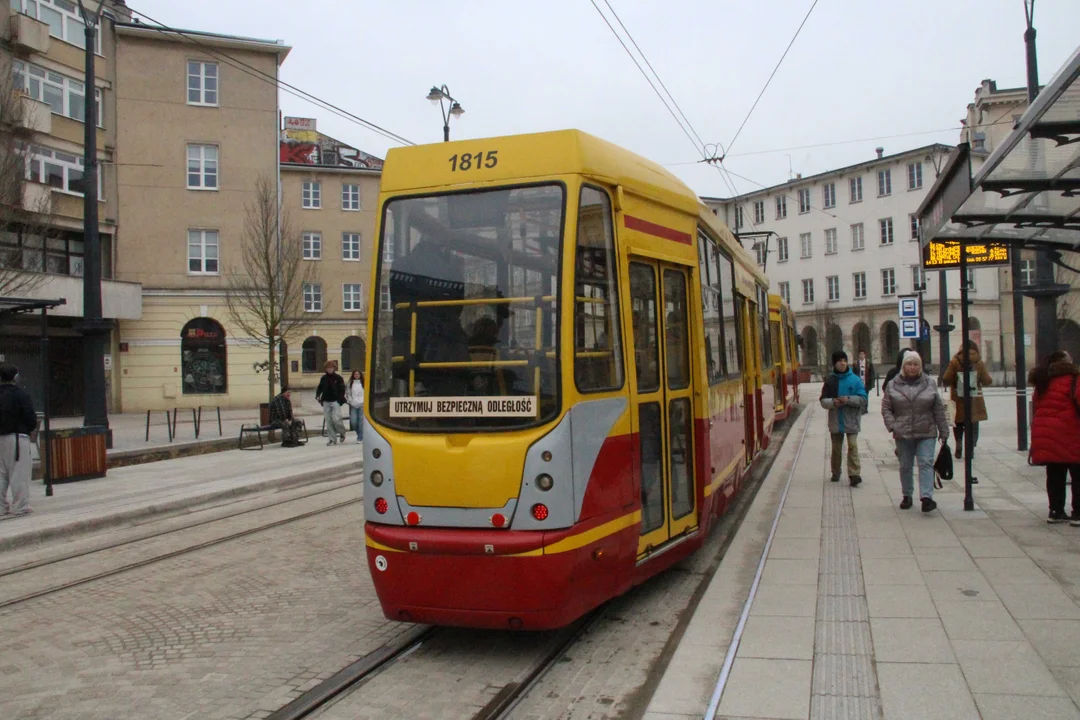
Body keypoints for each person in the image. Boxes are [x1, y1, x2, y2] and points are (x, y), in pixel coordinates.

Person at [882, 352, 950, 512]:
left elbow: (938, 409)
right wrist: (893, 425)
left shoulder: (929, 383)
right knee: (905, 465)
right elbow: (886, 408)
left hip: (926, 431)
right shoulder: (893, 384)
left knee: (925, 462)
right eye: (909, 364)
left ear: (920, 366)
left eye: (916, 364)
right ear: (903, 366)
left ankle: (926, 497)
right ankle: (907, 495)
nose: (912, 367)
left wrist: (944, 430)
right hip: (903, 432)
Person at [1028, 350, 1080, 524]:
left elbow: (1036, 404)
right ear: (1067, 362)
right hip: (1071, 432)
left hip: (1047, 434)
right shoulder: (1075, 380)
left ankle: (1056, 511)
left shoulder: (1043, 381)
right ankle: (1078, 513)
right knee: (1077, 473)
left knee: (1055, 473)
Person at [820, 350, 867, 486]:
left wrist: (849, 400)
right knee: (836, 448)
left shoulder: (855, 380)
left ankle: (854, 474)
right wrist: (833, 402)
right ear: (835, 363)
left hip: (851, 419)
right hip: (836, 419)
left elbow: (863, 399)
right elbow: (823, 401)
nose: (843, 363)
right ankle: (836, 471)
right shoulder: (830, 380)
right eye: (840, 361)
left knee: (852, 446)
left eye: (845, 360)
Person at [942, 340, 993, 460]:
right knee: (973, 423)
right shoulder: (978, 362)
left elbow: (946, 378)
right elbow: (987, 380)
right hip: (974, 400)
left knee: (958, 422)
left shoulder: (955, 361)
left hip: (958, 399)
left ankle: (959, 442)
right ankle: (971, 447)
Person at [0, 363, 38, 517]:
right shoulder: (21, 395)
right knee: (19, 473)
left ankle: (1, 507)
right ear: (16, 377)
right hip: (17, 438)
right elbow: (30, 418)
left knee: (1, 473)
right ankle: (20, 506)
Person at [315, 361, 347, 445]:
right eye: (328, 368)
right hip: (326, 401)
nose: (329, 369)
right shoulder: (323, 378)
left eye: (331, 368)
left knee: (336, 419)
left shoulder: (338, 378)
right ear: (326, 369)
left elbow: (342, 390)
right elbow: (320, 387)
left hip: (335, 401)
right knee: (328, 421)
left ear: (334, 368)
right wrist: (318, 395)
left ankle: (342, 432)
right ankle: (332, 439)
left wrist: (339, 400)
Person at [346, 370, 365, 444]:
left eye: (358, 374)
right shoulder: (350, 383)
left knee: (361, 422)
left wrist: (364, 401)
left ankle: (360, 437)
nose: (356, 375)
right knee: (353, 422)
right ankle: (359, 433)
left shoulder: (364, 383)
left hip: (362, 405)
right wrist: (351, 401)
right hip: (353, 405)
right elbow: (348, 394)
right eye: (355, 374)